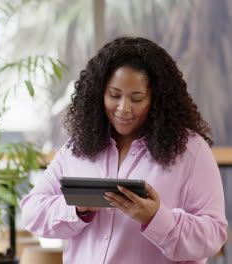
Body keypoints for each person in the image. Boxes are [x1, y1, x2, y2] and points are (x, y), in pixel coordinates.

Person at [20, 37, 228, 263]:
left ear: (157, 100)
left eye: (136, 98)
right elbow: (32, 212)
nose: (123, 109)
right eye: (114, 96)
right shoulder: (77, 147)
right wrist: (78, 206)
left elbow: (213, 236)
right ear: (99, 94)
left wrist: (156, 218)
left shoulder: (191, 151)